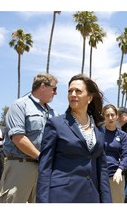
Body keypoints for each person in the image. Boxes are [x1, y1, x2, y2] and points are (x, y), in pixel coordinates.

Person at [36, 74, 112, 203]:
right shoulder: (55, 124)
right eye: (70, 91)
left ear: (89, 98)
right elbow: (45, 168)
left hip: (91, 196)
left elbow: (102, 170)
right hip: (62, 196)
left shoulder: (99, 129)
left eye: (78, 91)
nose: (73, 94)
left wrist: (106, 201)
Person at [0, 73, 58, 203]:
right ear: (43, 86)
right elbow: (18, 138)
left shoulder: (53, 113)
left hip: (44, 170)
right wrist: (42, 158)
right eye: (54, 89)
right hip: (20, 166)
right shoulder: (19, 106)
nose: (55, 93)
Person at [102, 104, 127, 203]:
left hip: (116, 176)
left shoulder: (122, 135)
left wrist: (120, 170)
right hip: (100, 175)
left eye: (112, 115)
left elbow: (126, 155)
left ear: (117, 116)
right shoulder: (98, 133)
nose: (110, 118)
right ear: (103, 117)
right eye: (107, 115)